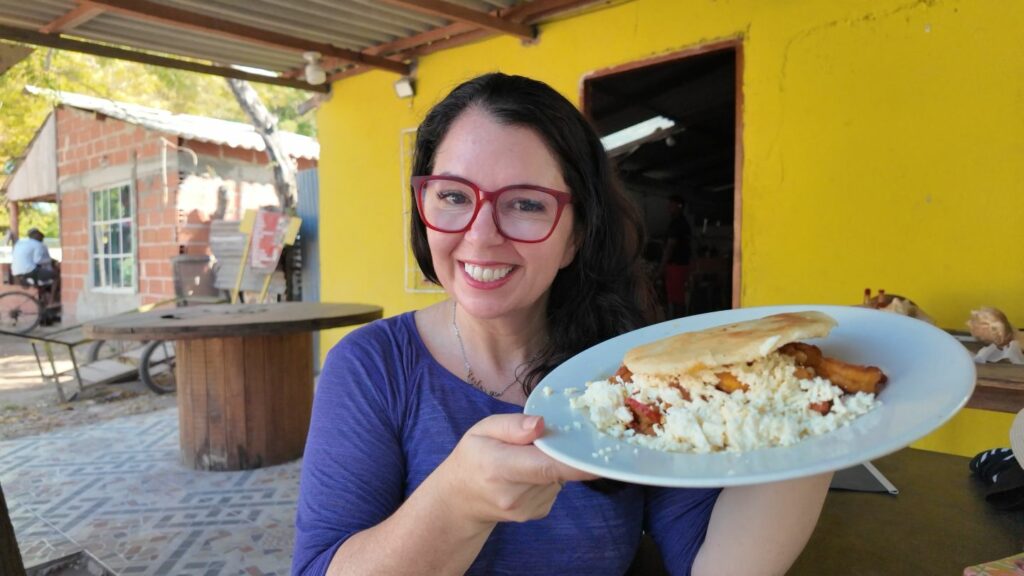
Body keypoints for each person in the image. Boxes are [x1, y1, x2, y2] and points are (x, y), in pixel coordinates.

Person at [292, 73, 832, 576]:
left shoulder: (627, 373)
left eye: (526, 203)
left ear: (576, 235)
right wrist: (457, 504)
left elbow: (717, 564)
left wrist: (828, 420)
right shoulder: (372, 366)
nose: (480, 236)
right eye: (454, 196)